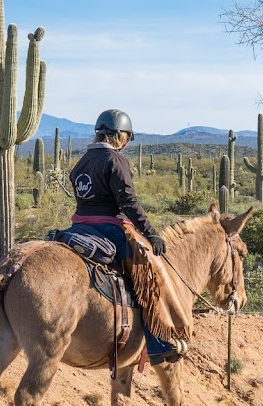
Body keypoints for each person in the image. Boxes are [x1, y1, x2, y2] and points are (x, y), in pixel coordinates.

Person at [68, 108, 183, 364]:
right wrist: (150, 233)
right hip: (109, 230)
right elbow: (128, 202)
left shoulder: (82, 161)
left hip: (78, 229)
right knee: (149, 275)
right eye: (127, 138)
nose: (126, 144)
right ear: (118, 135)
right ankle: (158, 344)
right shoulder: (115, 160)